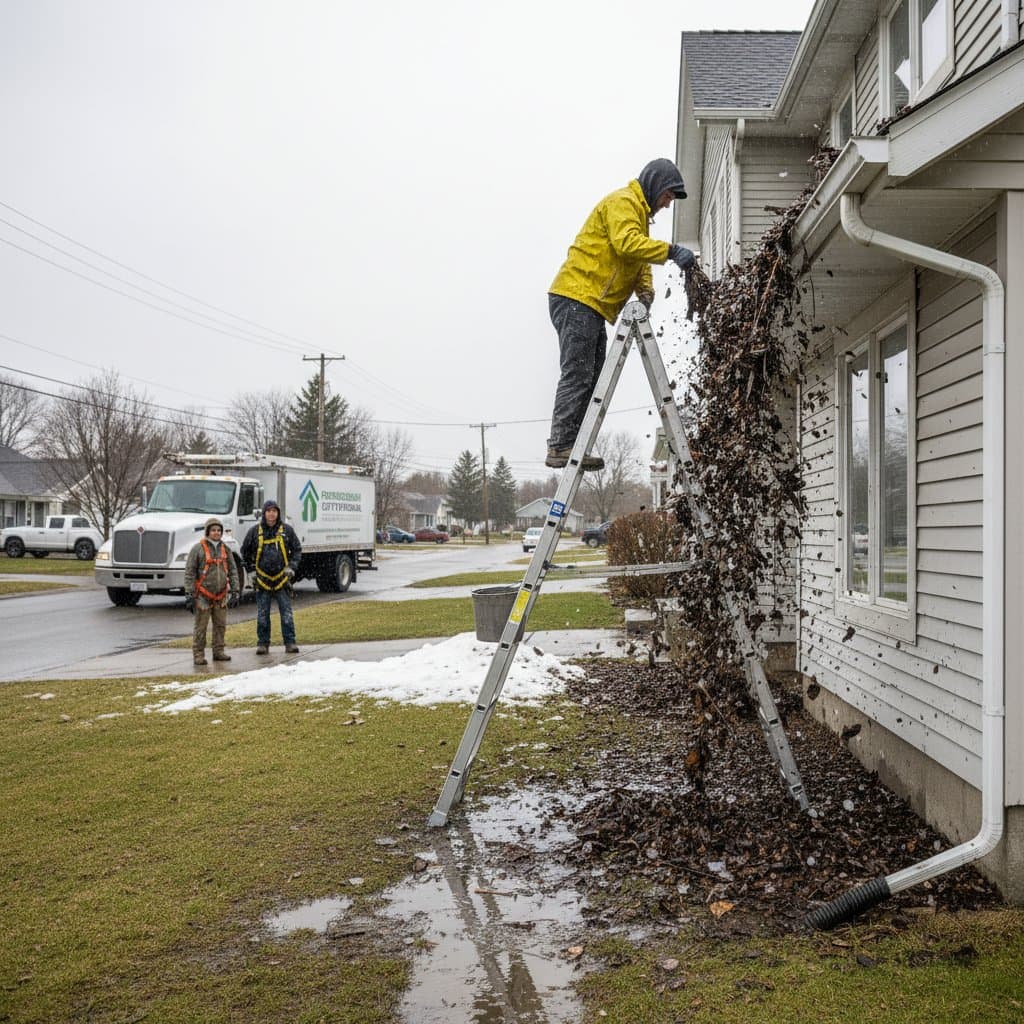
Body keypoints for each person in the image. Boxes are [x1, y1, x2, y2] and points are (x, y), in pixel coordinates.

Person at [546, 157, 695, 470]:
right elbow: (627, 245)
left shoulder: (638, 216)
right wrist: (669, 252)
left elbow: (636, 259)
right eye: (667, 197)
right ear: (655, 186)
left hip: (591, 303)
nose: (667, 205)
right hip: (577, 296)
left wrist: (646, 292)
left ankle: (574, 446)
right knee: (579, 373)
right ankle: (560, 445)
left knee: (591, 377)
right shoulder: (623, 202)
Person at [242, 499, 302, 655]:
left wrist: (292, 567)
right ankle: (263, 644)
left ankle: (290, 642)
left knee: (287, 614)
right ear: (264, 513)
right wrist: (251, 571)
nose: (271, 514)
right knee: (262, 615)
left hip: (282, 579)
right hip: (262, 580)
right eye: (268, 511)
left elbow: (297, 550)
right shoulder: (254, 532)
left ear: (278, 513)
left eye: (274, 511)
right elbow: (245, 552)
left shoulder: (287, 531)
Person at [183, 516, 240, 667]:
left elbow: (233, 571)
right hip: (202, 596)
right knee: (201, 627)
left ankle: (218, 651)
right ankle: (198, 654)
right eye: (213, 530)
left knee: (220, 626)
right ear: (207, 532)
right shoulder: (197, 549)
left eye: (219, 530)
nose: (216, 533)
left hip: (221, 595)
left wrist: (235, 591)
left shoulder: (226, 549)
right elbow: (190, 572)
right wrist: (189, 593)